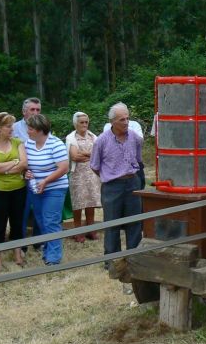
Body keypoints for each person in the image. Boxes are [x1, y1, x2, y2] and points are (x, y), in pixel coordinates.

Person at [90, 102, 144, 266]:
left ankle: (134, 260)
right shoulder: (102, 141)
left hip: (132, 183)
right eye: (122, 120)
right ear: (112, 121)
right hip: (112, 186)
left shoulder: (135, 137)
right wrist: (110, 176)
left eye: (127, 118)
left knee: (135, 223)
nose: (126, 122)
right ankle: (112, 261)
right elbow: (95, 166)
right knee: (112, 223)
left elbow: (139, 160)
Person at [0, 112, 27, 270]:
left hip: (18, 189)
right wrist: (13, 163)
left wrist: (5, 168)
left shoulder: (17, 143)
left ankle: (17, 254)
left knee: (17, 222)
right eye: (9, 127)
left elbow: (23, 164)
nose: (12, 130)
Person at [24, 114, 69, 266]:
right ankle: (47, 251)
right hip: (35, 189)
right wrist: (26, 172)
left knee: (51, 221)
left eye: (30, 128)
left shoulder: (55, 144)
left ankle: (54, 258)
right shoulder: (28, 144)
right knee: (41, 221)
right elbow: (25, 164)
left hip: (54, 188)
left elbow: (63, 168)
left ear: (39, 130)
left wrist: (46, 181)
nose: (27, 131)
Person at [66, 112, 102, 242]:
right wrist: (91, 154)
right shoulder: (71, 138)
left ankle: (90, 229)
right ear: (75, 123)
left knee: (90, 201)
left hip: (92, 174)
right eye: (81, 122)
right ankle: (78, 231)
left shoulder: (93, 137)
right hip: (77, 174)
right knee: (78, 203)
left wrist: (85, 154)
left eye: (86, 122)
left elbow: (99, 154)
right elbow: (74, 156)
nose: (84, 125)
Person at [12, 97, 42, 249]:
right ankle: (21, 245)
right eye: (32, 109)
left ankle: (38, 241)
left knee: (39, 210)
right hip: (19, 176)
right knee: (21, 212)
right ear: (24, 112)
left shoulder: (43, 126)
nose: (35, 112)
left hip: (40, 176)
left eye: (38, 110)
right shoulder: (14, 128)